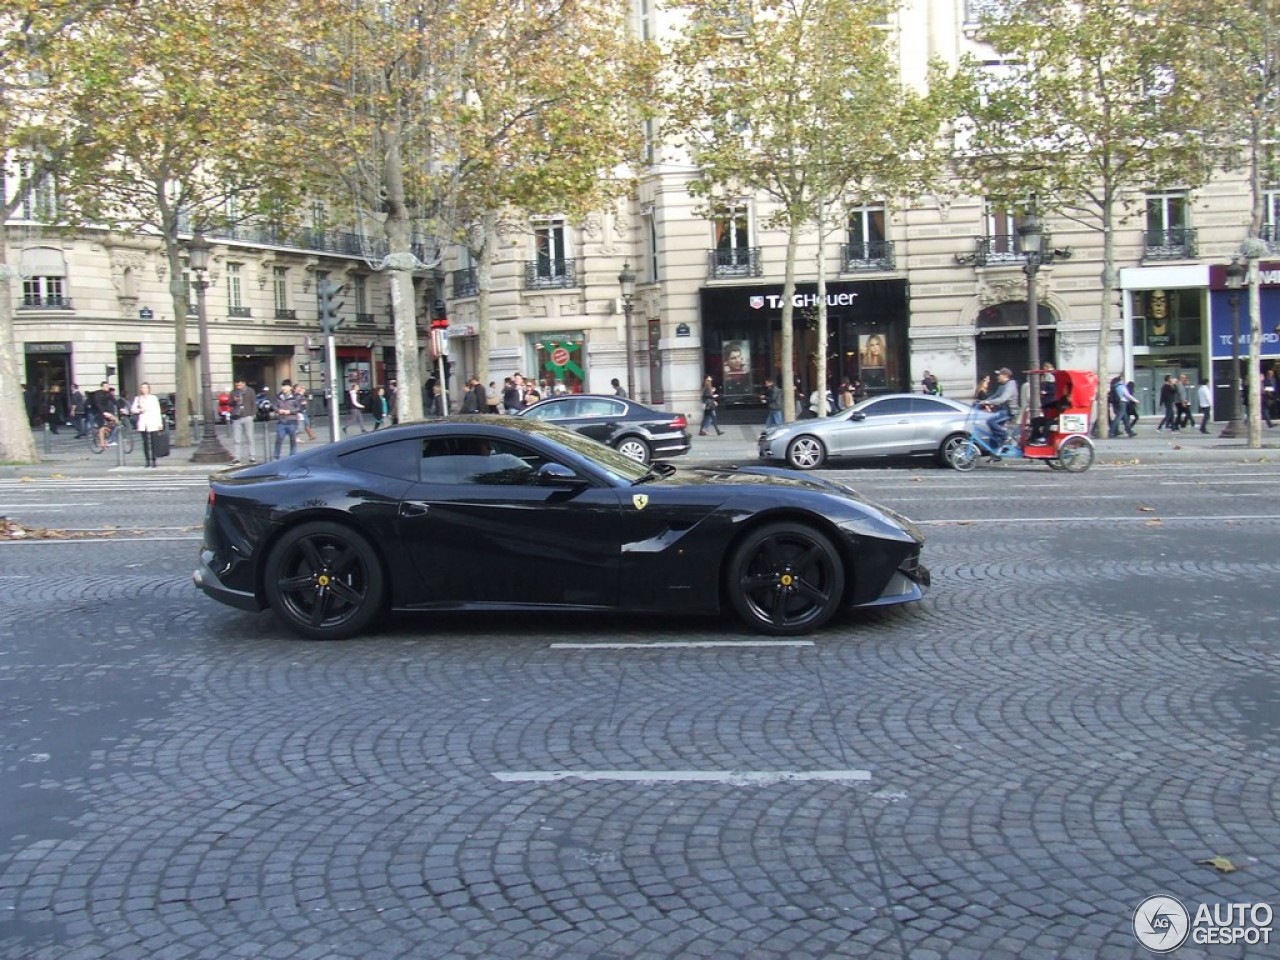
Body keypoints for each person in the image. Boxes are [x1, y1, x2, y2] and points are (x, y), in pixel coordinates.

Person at [979, 367, 1019, 448]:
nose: (997, 377)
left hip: (1009, 411)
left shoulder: (1010, 385)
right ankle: (994, 452)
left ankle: (1006, 437)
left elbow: (1002, 399)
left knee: (991, 421)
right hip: (1002, 410)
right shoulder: (1002, 385)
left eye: (999, 375)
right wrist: (982, 401)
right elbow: (995, 396)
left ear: (1005, 376)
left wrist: (987, 402)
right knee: (994, 432)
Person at [130, 382, 165, 467]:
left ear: (148, 389)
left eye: (146, 388)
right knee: (145, 442)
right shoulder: (138, 398)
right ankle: (147, 460)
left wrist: (159, 423)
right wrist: (139, 410)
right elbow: (133, 409)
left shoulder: (153, 398)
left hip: (152, 421)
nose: (144, 389)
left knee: (153, 442)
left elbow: (157, 411)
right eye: (143, 388)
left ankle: (154, 459)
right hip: (143, 422)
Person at [229, 378, 257, 465]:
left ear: (244, 383)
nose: (238, 387)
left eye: (240, 385)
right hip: (236, 416)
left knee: (249, 437)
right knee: (237, 439)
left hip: (247, 415)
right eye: (237, 385)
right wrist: (234, 400)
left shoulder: (250, 391)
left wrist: (252, 414)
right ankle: (237, 458)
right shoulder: (233, 392)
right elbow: (229, 403)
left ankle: (252, 457)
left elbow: (253, 402)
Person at [274, 380, 301, 458]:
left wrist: (290, 411)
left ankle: (293, 457)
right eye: (283, 386)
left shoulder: (295, 397)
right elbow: (274, 406)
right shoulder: (278, 396)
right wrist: (278, 410)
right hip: (281, 422)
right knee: (279, 439)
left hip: (292, 422)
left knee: (293, 441)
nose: (283, 388)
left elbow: (299, 408)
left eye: (285, 386)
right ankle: (276, 457)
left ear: (290, 387)